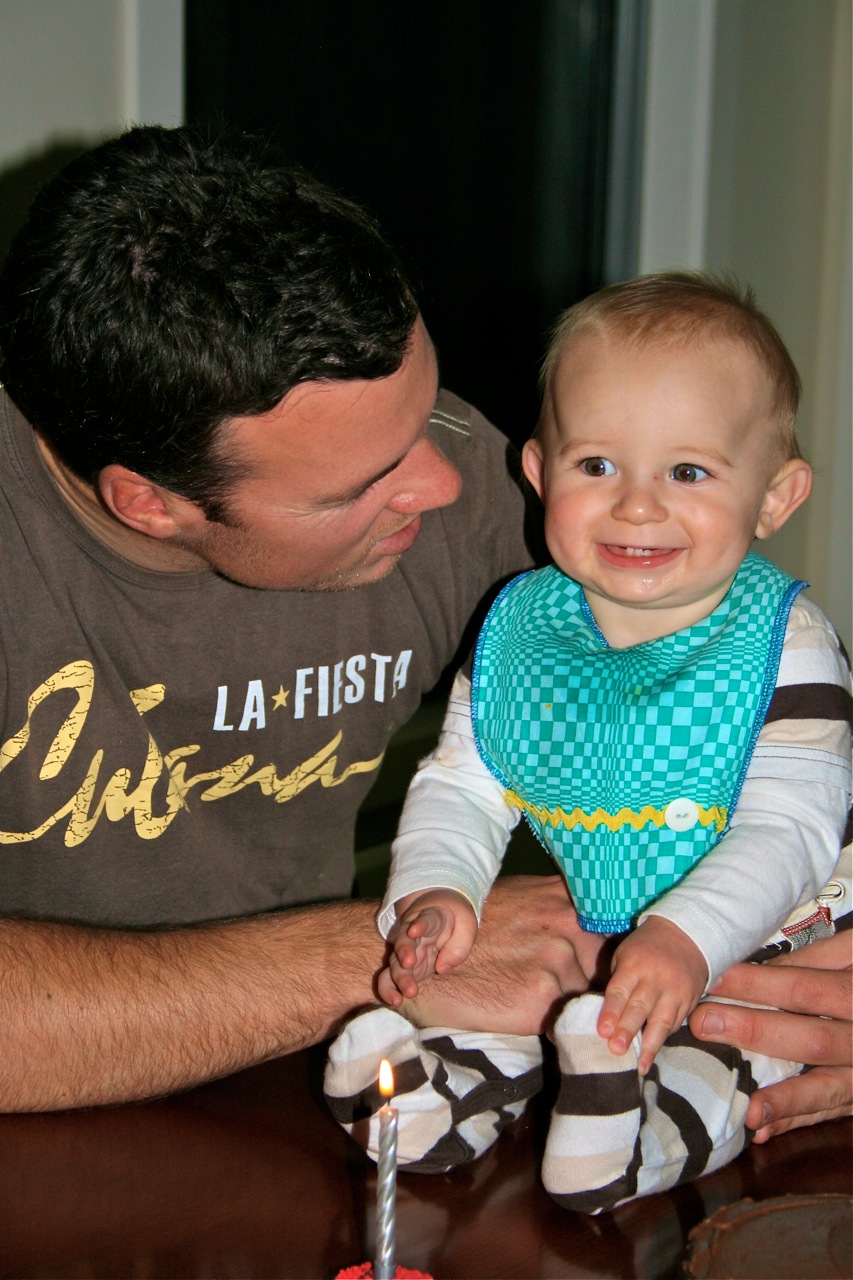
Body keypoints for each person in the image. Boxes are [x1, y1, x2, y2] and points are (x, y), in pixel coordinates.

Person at [0, 128, 846, 1128]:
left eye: (425, 410)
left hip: (317, 1109)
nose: (445, 482)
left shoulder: (487, 491)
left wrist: (812, 957)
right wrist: (367, 954)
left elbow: (778, 731)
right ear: (150, 504)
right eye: (360, 484)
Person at [325, 273, 851, 1212]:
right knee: (489, 1003)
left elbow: (791, 827)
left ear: (775, 498)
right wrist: (436, 889)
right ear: (538, 473)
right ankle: (423, 1105)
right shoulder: (519, 630)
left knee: (728, 1055)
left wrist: (686, 937)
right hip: (602, 933)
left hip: (769, 944)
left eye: (687, 473)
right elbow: (463, 784)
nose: (635, 506)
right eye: (597, 465)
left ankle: (628, 1143)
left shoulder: (784, 641)